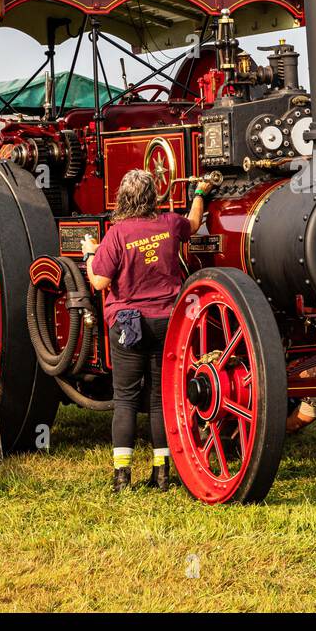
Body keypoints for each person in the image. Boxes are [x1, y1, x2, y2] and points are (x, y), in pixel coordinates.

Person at [82, 169, 213, 492]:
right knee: (158, 398)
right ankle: (162, 472)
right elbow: (194, 224)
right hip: (167, 320)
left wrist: (89, 254)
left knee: (125, 398)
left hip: (129, 323)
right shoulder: (169, 224)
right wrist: (200, 193)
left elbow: (99, 281)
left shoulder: (117, 234)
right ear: (153, 197)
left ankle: (122, 476)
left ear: (124, 199)